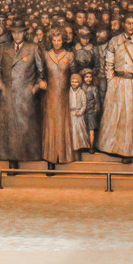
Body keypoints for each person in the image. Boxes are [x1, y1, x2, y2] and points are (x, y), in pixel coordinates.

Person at [98, 15, 133, 161]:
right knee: (114, 115)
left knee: (130, 118)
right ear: (123, 24)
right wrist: (111, 80)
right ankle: (111, 148)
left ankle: (128, 151)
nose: (131, 26)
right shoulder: (114, 41)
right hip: (117, 82)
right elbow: (108, 63)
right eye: (128, 23)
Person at [0, 25, 45, 164]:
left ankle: (29, 156)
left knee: (26, 128)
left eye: (20, 32)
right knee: (10, 130)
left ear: (24, 33)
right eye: (14, 33)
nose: (17, 35)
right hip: (9, 95)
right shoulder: (4, 48)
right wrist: (2, 88)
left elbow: (41, 72)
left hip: (25, 96)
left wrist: (34, 88)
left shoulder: (33, 48)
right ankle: (12, 160)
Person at [40, 31, 74, 166]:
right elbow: (40, 72)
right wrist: (41, 81)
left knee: (63, 123)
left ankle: (64, 155)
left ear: (63, 41)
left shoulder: (70, 55)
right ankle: (50, 157)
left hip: (65, 95)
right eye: (54, 40)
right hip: (51, 94)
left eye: (59, 40)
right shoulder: (46, 55)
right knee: (51, 124)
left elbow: (74, 73)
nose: (56, 43)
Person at [68, 72, 90, 159]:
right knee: (71, 133)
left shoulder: (81, 92)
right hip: (70, 114)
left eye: (76, 82)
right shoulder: (68, 92)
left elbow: (84, 104)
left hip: (78, 116)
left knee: (78, 133)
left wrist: (81, 111)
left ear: (79, 83)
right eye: (72, 81)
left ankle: (78, 151)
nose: (74, 84)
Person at [81, 68, 101, 151]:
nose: (88, 79)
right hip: (82, 111)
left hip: (90, 111)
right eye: (86, 77)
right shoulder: (81, 87)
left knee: (91, 129)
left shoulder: (94, 88)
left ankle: (91, 146)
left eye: (90, 77)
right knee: (83, 128)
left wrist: (96, 108)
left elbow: (97, 100)